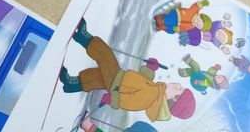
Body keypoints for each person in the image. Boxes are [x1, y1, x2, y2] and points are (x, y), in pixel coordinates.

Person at [59, 20, 195, 122]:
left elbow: (130, 102)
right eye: (182, 87)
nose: (179, 85)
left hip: (117, 83)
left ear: (175, 98)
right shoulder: (157, 91)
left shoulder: (153, 97)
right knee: (96, 77)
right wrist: (150, 69)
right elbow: (142, 82)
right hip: (120, 79)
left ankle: (83, 37)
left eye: (180, 89)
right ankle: (72, 84)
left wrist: (114, 99)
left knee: (105, 56)